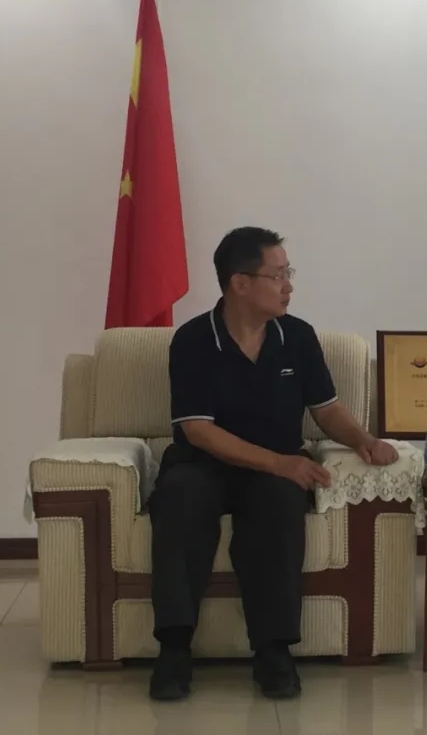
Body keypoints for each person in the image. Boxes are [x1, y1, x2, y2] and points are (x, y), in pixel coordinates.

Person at [148, 227, 399, 702]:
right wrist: (280, 463)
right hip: (203, 463)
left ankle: (273, 651)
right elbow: (198, 430)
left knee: (281, 504)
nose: (289, 285)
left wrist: (365, 440)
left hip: (274, 469)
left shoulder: (297, 337)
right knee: (179, 497)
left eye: (289, 273)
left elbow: (326, 410)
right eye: (278, 275)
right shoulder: (193, 339)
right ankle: (174, 649)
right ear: (240, 283)